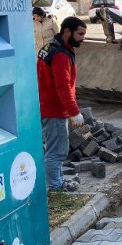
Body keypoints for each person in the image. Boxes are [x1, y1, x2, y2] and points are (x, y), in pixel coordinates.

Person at [37, 16, 87, 192]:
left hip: (48, 106)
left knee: (55, 148)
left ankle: (57, 182)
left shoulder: (52, 47)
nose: (82, 38)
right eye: (80, 34)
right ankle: (55, 187)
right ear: (67, 32)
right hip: (54, 110)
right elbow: (63, 87)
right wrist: (74, 111)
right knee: (56, 151)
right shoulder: (60, 55)